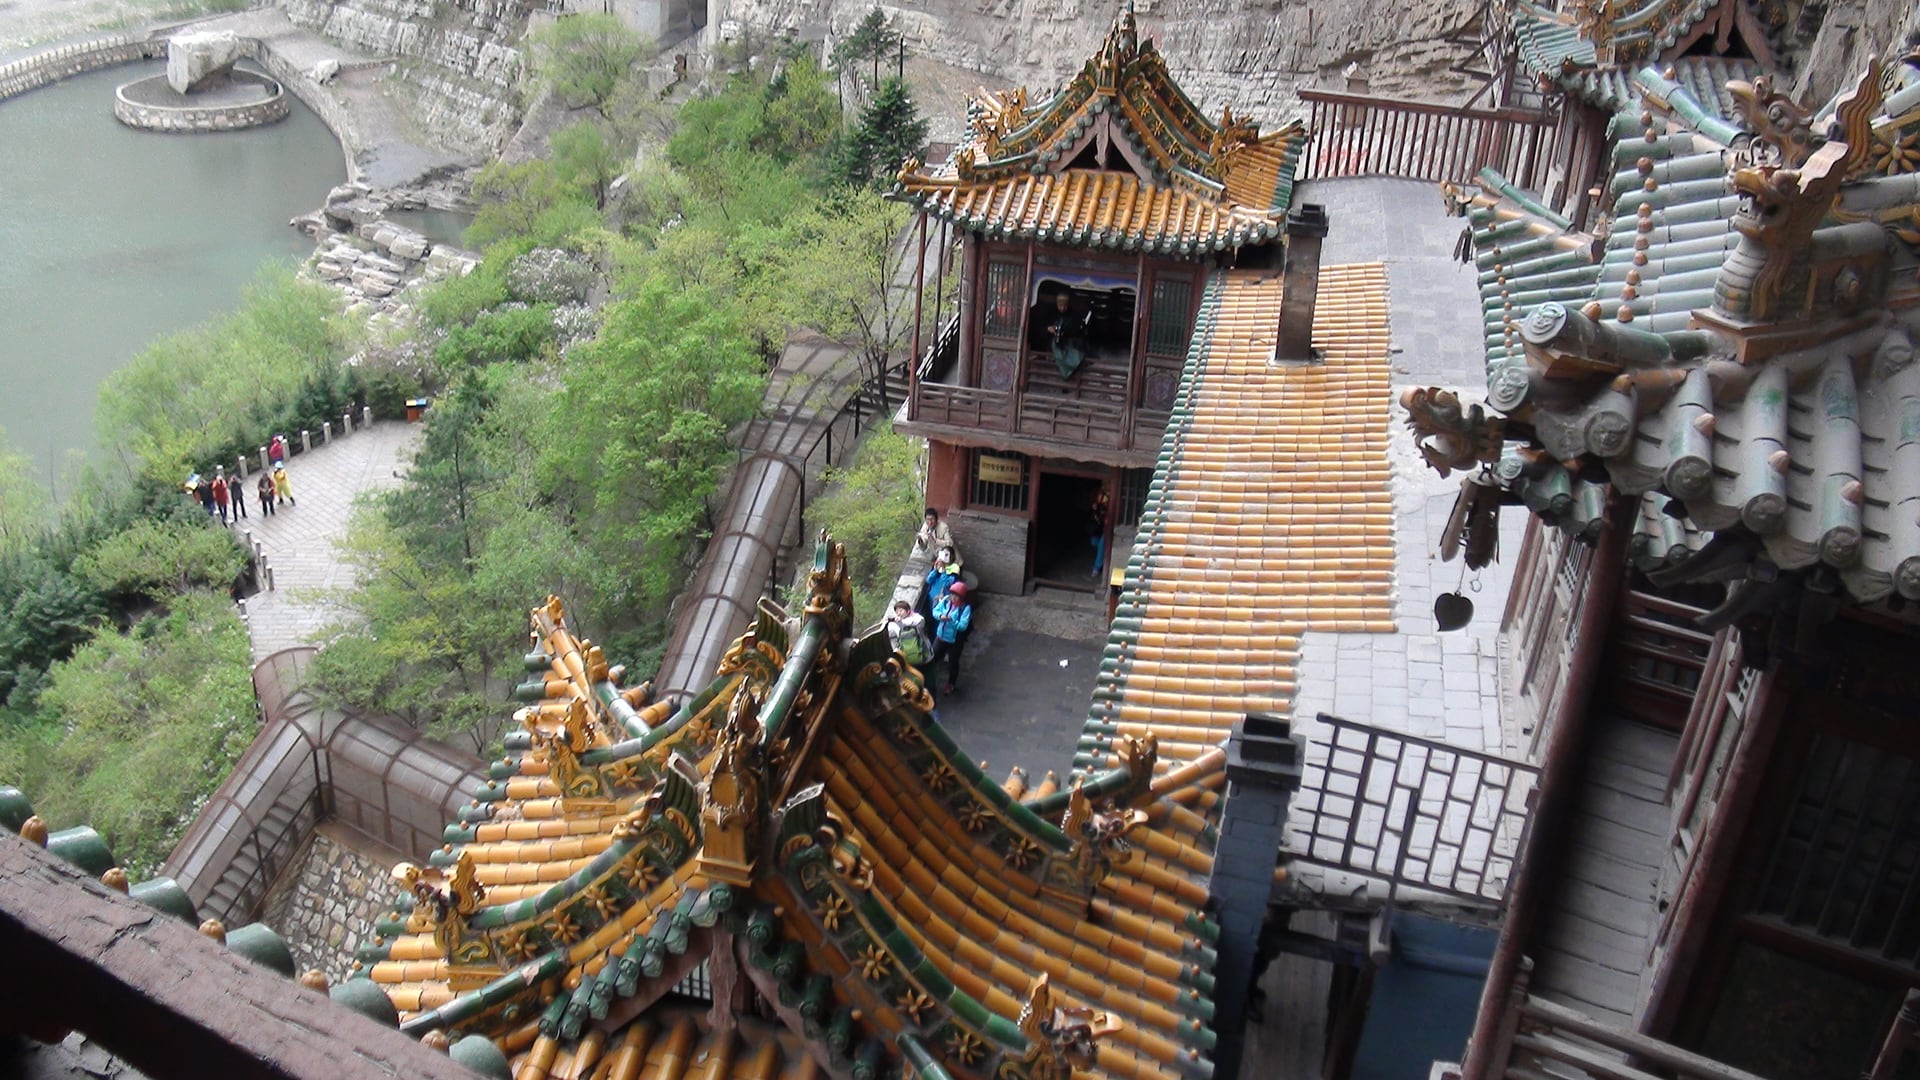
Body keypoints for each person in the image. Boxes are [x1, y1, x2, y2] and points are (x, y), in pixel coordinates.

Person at [1030, 290, 1088, 380]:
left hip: (1068, 342)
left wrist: (1065, 332)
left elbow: (1077, 331)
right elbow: (1039, 328)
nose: (1063, 308)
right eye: (1060, 305)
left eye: (1065, 306)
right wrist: (1048, 329)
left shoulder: (1073, 315)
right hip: (1051, 342)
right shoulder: (1050, 313)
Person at [930, 581, 973, 695]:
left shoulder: (965, 609)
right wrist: (940, 616)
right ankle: (929, 681)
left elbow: (963, 626)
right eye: (952, 594)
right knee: (932, 658)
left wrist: (951, 621)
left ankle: (951, 684)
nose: (953, 598)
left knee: (953, 663)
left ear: (961, 597)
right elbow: (935, 611)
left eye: (956, 596)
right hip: (941, 637)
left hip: (955, 640)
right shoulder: (946, 600)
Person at [919, 546, 960, 620]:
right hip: (932, 598)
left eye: (946, 555)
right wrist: (935, 569)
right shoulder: (938, 566)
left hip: (942, 599)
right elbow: (929, 580)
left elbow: (948, 583)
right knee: (929, 618)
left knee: (938, 618)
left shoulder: (954, 567)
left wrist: (944, 570)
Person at [884, 600, 929, 666]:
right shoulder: (897, 625)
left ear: (908, 611)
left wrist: (901, 621)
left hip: (924, 652)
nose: (899, 613)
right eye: (897, 612)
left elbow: (917, 620)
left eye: (901, 611)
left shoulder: (917, 618)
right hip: (909, 656)